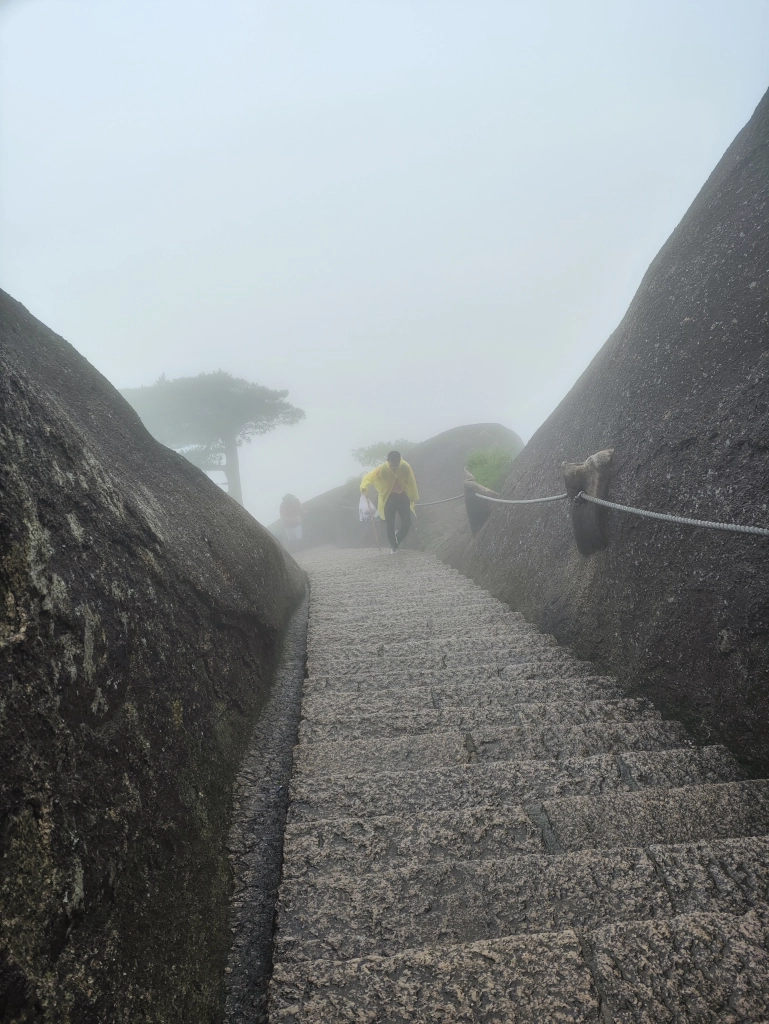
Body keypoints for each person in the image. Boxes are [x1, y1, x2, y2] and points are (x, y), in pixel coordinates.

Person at [360, 450, 419, 553]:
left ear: (400, 460)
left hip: (403, 497)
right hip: (388, 498)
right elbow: (368, 477)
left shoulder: (405, 466)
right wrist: (364, 487)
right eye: (392, 465)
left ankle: (398, 537)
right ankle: (393, 547)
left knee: (407, 522)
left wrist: (413, 496)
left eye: (396, 464)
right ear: (388, 461)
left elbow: (412, 480)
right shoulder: (382, 469)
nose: (395, 467)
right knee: (389, 524)